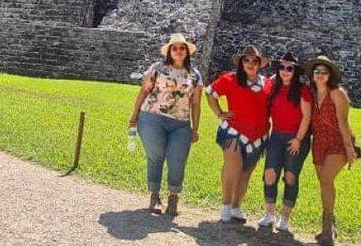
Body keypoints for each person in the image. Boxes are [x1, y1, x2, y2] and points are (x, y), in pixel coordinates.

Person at [128, 33, 203, 216]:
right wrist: (134, 115)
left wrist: (195, 128)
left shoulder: (195, 75)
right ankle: (154, 197)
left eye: (182, 48)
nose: (178, 51)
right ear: (169, 51)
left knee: (177, 161)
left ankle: (173, 199)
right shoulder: (157, 68)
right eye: (175, 48)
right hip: (152, 118)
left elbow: (196, 103)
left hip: (180, 124)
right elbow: (143, 92)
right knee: (156, 158)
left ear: (187, 51)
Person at [206, 45, 271, 223]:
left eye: (254, 61)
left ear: (259, 64)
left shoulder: (268, 84)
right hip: (234, 132)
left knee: (246, 171)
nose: (250, 64)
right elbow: (210, 93)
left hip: (259, 135)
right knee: (233, 165)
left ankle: (236, 206)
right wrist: (219, 113)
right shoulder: (230, 79)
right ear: (241, 63)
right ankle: (226, 205)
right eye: (246, 60)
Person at [305, 55, 357, 246]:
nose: (320, 74)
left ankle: (327, 229)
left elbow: (343, 121)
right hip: (319, 141)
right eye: (317, 71)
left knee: (326, 178)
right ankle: (330, 223)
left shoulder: (337, 93)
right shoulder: (310, 93)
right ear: (312, 75)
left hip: (337, 141)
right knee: (323, 182)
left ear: (330, 75)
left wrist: (348, 147)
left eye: (324, 72)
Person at [258, 52, 312, 231]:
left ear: (295, 71)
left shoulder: (302, 89)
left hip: (296, 139)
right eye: (282, 67)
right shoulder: (274, 87)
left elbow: (307, 116)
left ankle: (285, 218)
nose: (285, 71)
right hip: (277, 135)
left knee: (290, 176)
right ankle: (269, 214)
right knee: (269, 173)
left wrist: (298, 139)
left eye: (289, 68)